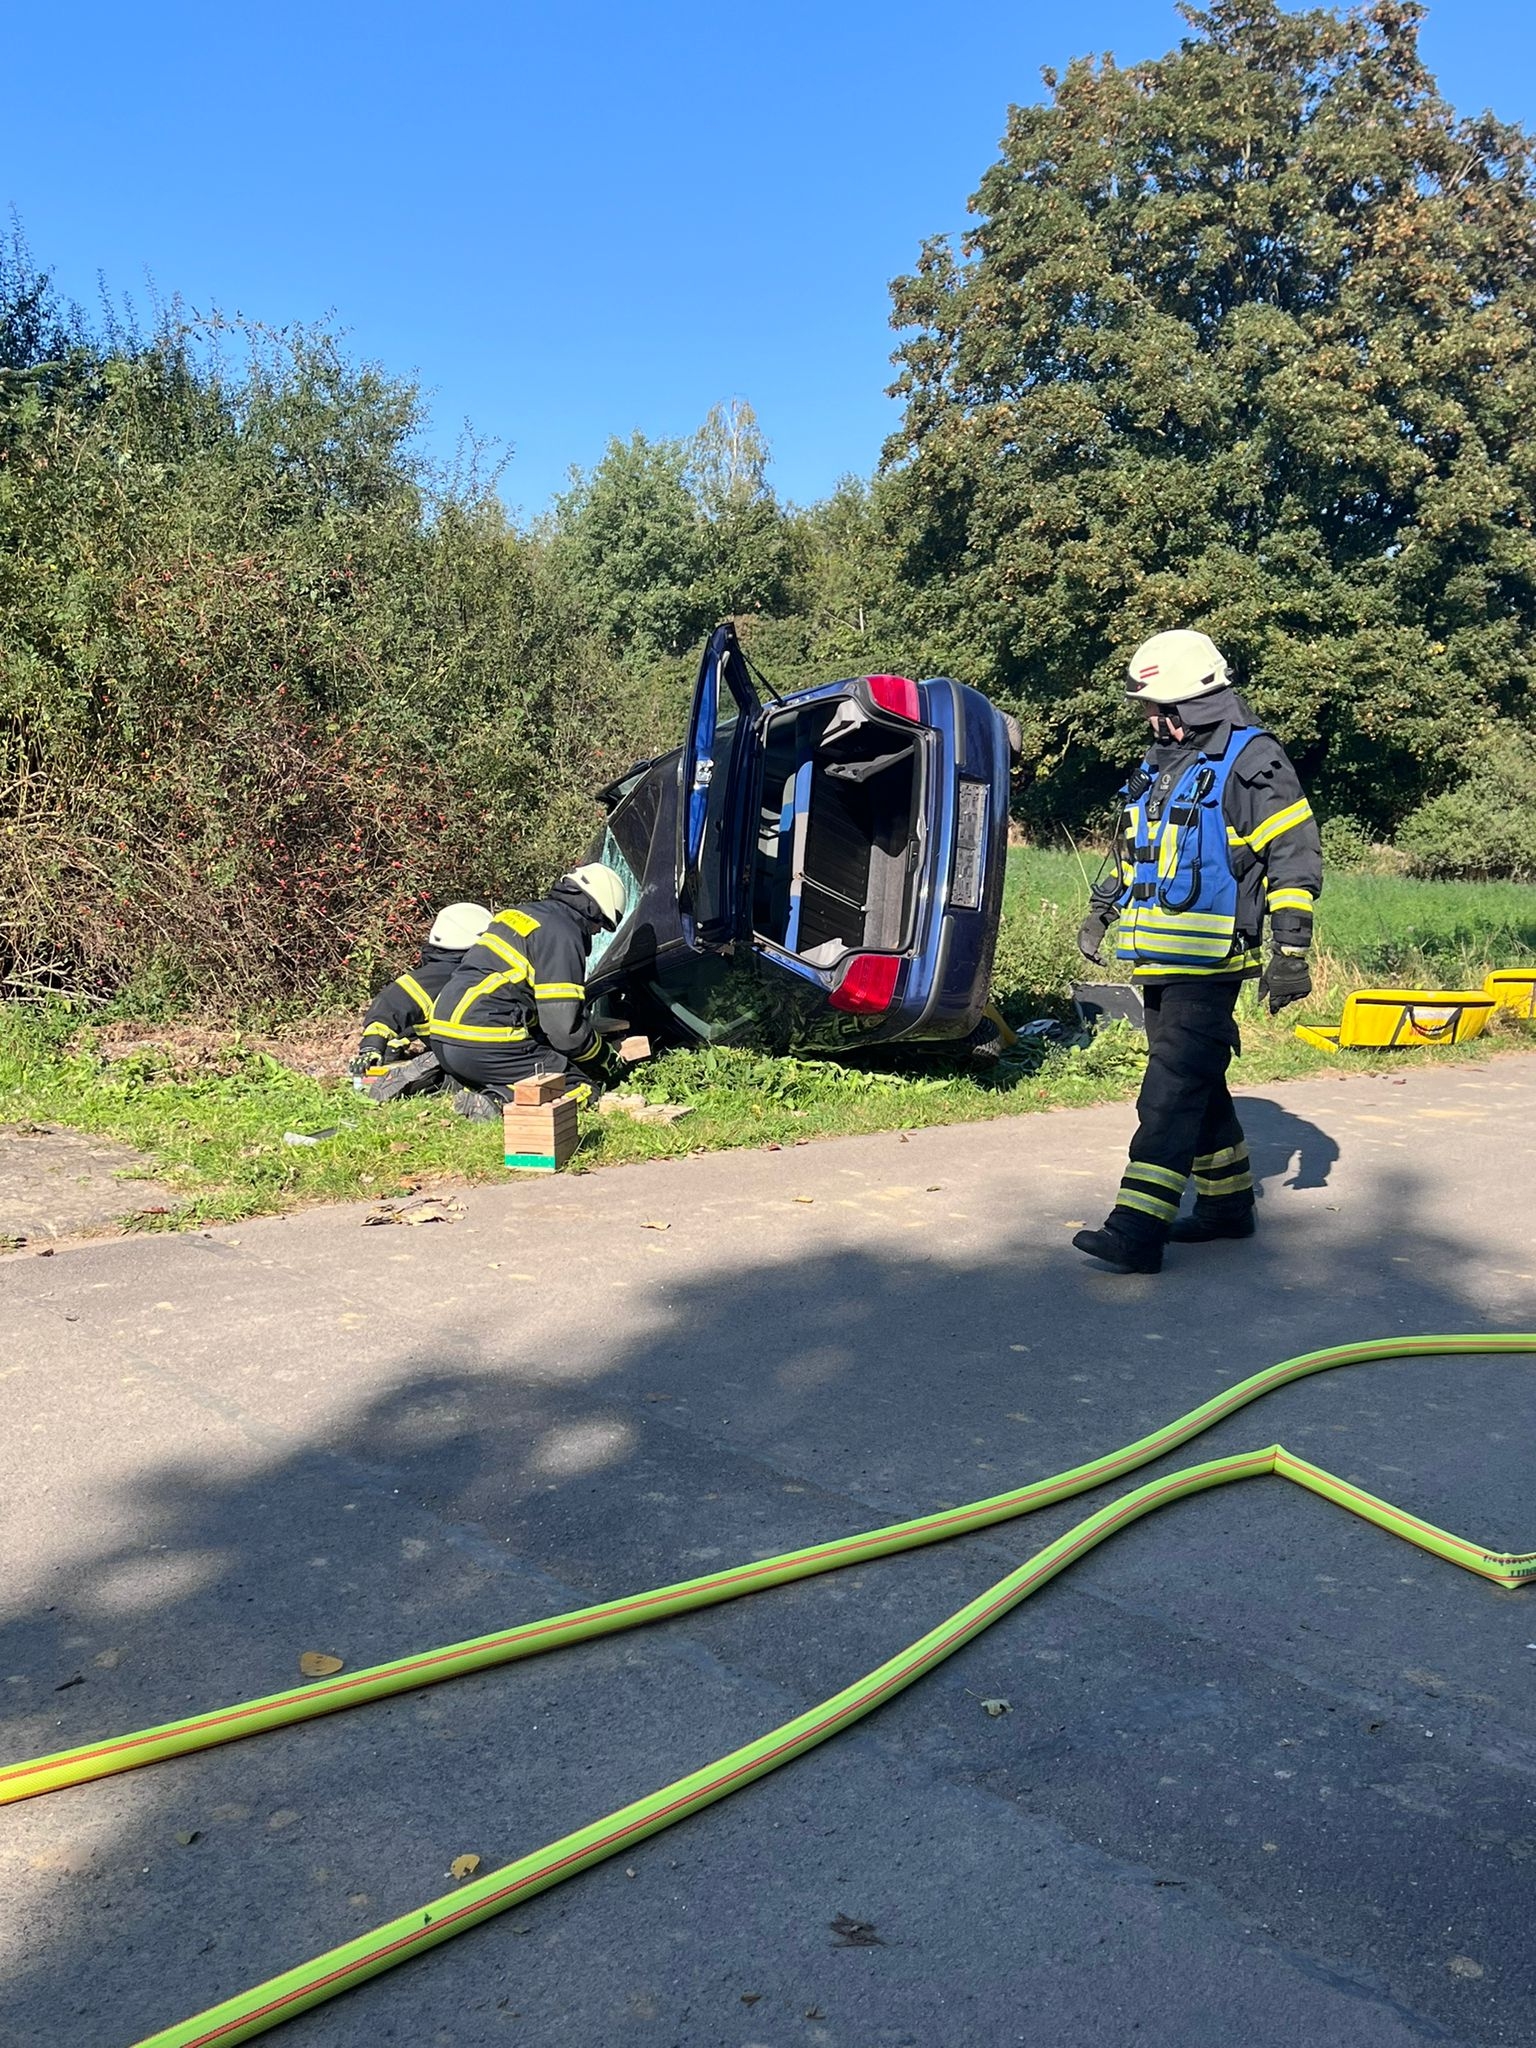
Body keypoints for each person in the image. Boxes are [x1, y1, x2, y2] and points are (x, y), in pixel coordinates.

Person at [1073, 630, 1322, 1275]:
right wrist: (1102, 912)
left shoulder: (1252, 761)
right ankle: (1227, 1206)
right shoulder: (1163, 765)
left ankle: (1135, 1230)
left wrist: (1291, 951)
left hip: (1211, 963)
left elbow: (1293, 856)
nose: (1148, 718)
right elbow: (1136, 852)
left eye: (1156, 706)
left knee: (1168, 1092)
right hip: (1158, 960)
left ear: (1191, 703)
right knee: (1199, 1083)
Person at [429, 863, 630, 1118]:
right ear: (594, 909)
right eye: (600, 924)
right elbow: (563, 1030)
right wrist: (604, 1058)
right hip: (485, 1040)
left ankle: (443, 1080)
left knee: (518, 1068)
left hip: (443, 1035)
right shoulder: (563, 933)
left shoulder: (521, 915)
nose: (596, 931)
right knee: (580, 1089)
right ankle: (499, 1102)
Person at [353, 902, 491, 1090]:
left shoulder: (424, 979)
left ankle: (433, 1078)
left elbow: (394, 1006)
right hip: (485, 1054)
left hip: (443, 1049)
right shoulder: (488, 970)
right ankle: (447, 1080)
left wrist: (373, 1046)